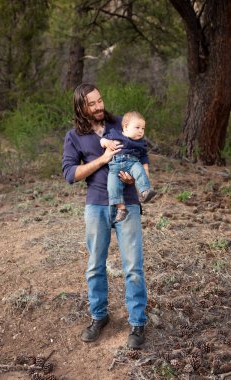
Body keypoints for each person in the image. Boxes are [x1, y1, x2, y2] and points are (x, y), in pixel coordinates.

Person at [62, 83, 148, 349]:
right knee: (94, 266)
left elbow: (143, 152)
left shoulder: (121, 123)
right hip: (96, 205)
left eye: (100, 100)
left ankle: (137, 322)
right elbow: (70, 175)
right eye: (92, 104)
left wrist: (134, 177)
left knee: (133, 267)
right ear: (80, 107)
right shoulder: (75, 136)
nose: (99, 106)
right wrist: (102, 159)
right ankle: (99, 316)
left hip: (129, 203)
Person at [100, 111, 156, 222]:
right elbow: (102, 140)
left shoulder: (141, 143)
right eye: (137, 127)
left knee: (139, 170)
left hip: (132, 163)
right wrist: (106, 142)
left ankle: (145, 191)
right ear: (125, 127)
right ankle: (121, 208)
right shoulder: (115, 134)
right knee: (112, 186)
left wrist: (146, 170)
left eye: (143, 128)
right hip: (114, 167)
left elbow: (144, 158)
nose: (140, 131)